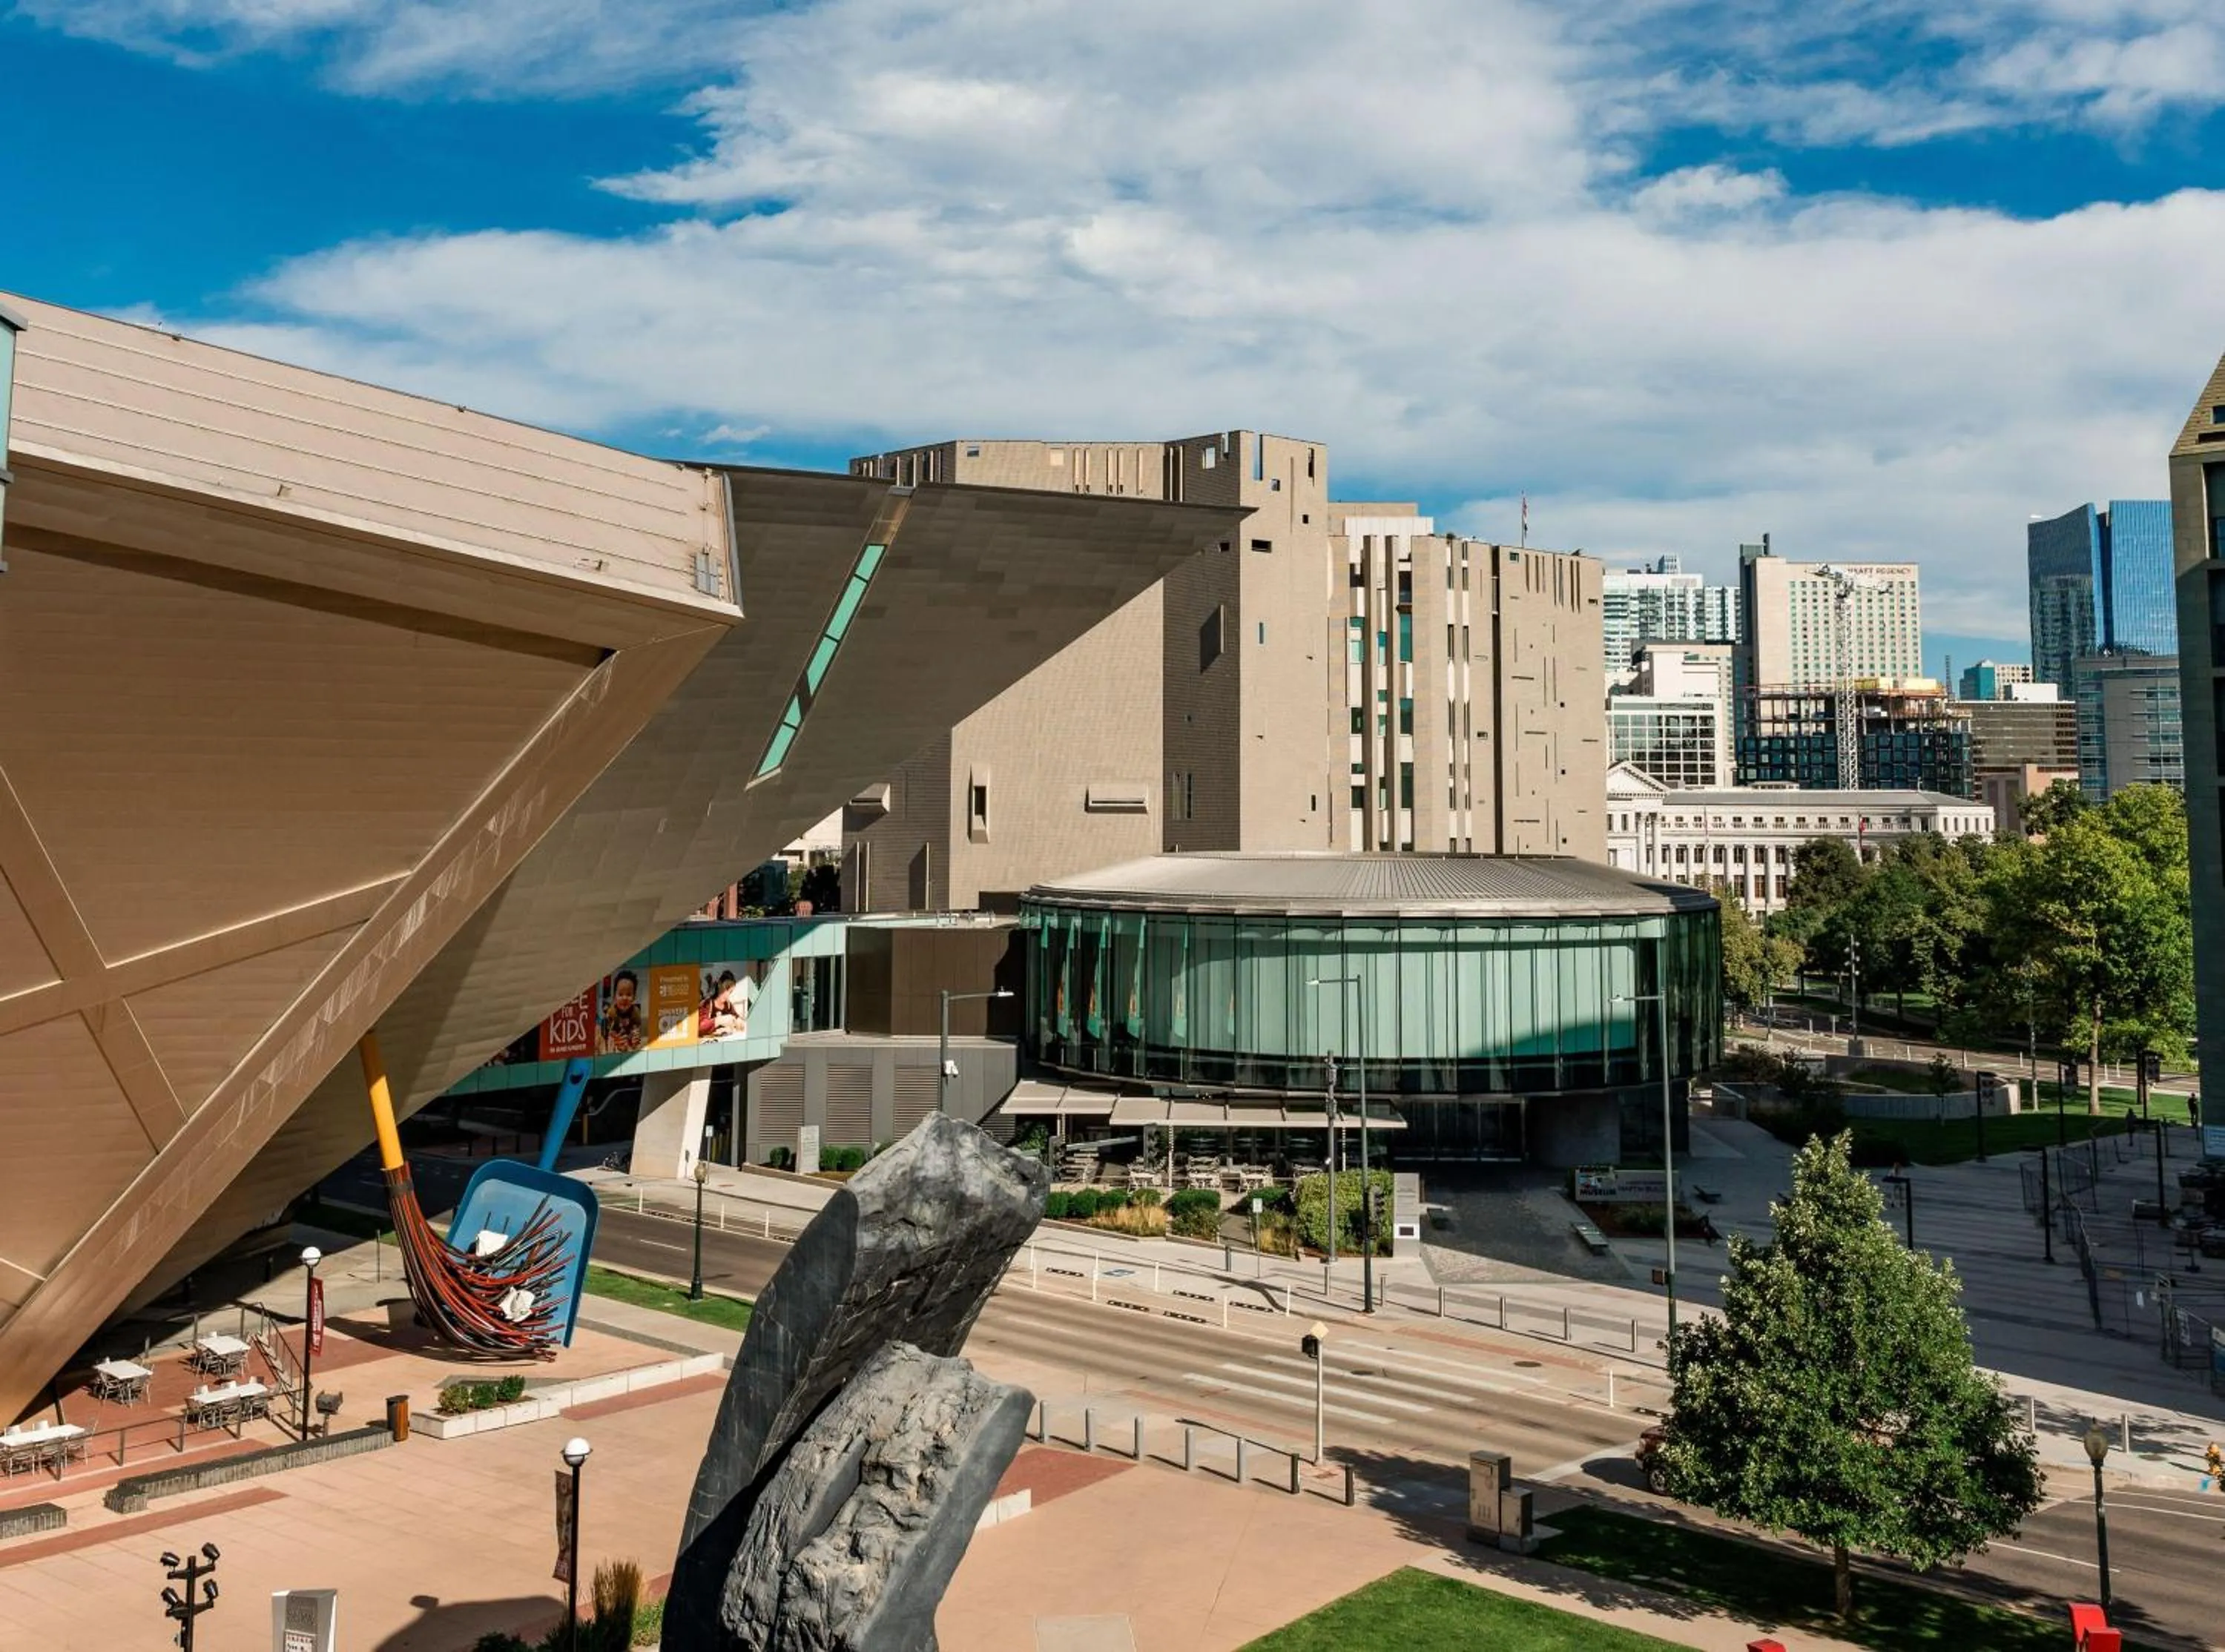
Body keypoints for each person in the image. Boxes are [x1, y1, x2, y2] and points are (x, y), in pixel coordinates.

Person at [599, 971, 645, 1054]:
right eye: (620, 994)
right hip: (614, 1035)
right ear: (615, 997)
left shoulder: (635, 1011)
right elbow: (608, 1032)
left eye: (629, 994)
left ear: (634, 997)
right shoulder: (612, 1012)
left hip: (628, 1035)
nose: (624, 998)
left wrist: (634, 1037)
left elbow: (636, 1028)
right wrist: (614, 1038)